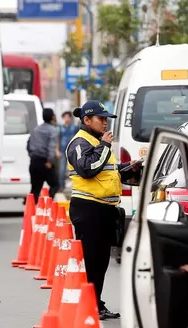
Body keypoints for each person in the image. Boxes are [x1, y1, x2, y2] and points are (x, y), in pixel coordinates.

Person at [66, 101, 142, 320]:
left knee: (100, 263)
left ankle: (95, 303)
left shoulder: (98, 142)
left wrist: (128, 169)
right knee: (91, 261)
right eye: (101, 119)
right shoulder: (80, 142)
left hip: (104, 209)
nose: (105, 123)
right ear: (87, 120)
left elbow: (106, 172)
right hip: (88, 209)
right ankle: (89, 305)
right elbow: (87, 169)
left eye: (106, 119)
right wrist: (105, 146)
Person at [27, 108, 60, 204]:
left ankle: (32, 211)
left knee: (35, 188)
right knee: (55, 185)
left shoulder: (35, 129)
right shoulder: (52, 130)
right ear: (52, 117)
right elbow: (51, 146)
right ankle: (48, 205)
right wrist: (50, 161)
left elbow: (28, 144)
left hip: (34, 161)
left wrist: (32, 156)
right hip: (45, 162)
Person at [58, 111, 79, 191]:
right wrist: (57, 150)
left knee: (75, 169)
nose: (67, 118)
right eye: (65, 117)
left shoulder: (74, 127)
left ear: (70, 118)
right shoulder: (60, 128)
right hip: (63, 150)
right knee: (61, 170)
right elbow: (58, 139)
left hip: (72, 151)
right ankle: (61, 186)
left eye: (68, 117)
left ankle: (76, 186)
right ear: (63, 118)